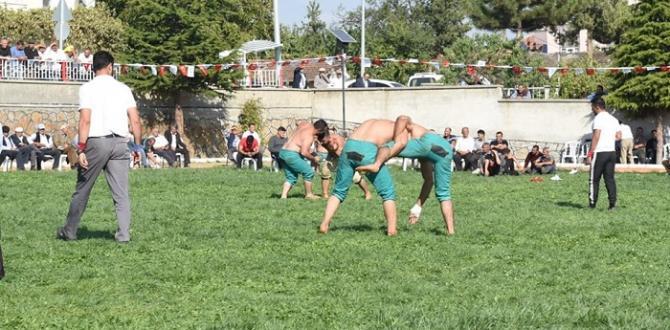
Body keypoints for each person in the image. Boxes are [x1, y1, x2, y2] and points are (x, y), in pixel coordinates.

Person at [57, 51, 143, 243]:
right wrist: (138, 148)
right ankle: (123, 235)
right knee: (121, 194)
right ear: (111, 66)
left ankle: (69, 231)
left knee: (83, 189)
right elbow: (135, 121)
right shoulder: (123, 88)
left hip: (97, 142)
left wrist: (80, 148)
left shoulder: (87, 88)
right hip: (121, 142)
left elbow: (85, 121)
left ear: (92, 66)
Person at [354, 116, 456, 235]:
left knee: (386, 147)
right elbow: (429, 181)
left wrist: (397, 139)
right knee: (444, 193)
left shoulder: (403, 128)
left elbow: (403, 118)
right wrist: (417, 208)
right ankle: (451, 231)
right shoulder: (423, 147)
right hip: (445, 149)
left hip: (427, 142)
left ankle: (375, 164)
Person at [319, 119, 399, 236]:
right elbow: (391, 148)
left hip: (349, 147)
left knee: (338, 192)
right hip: (367, 150)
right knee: (388, 192)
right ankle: (392, 230)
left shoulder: (370, 122)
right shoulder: (396, 128)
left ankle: (324, 224)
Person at [279, 120, 328, 199]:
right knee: (308, 172)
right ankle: (309, 194)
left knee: (291, 176)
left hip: (283, 152)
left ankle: (283, 196)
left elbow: (298, 122)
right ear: (319, 130)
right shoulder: (309, 136)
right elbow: (304, 152)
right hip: (291, 154)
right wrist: (313, 159)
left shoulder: (305, 124)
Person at [587, 97, 621, 210]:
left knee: (594, 179)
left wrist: (590, 153)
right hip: (611, 152)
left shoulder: (598, 119)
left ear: (597, 107)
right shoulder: (613, 119)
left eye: (592, 107)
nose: (591, 109)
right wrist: (609, 139)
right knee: (609, 178)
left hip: (600, 152)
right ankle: (612, 204)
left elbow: (596, 135)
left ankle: (592, 204)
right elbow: (618, 136)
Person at [318, 133, 372, 200]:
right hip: (333, 156)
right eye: (320, 140)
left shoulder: (337, 139)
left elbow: (342, 152)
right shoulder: (324, 142)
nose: (321, 142)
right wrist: (328, 159)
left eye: (322, 140)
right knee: (325, 171)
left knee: (356, 177)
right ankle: (325, 194)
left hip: (345, 156)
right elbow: (330, 151)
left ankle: (367, 193)